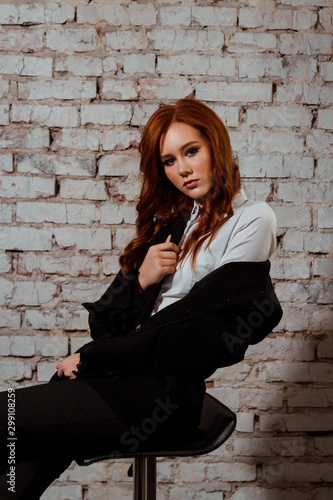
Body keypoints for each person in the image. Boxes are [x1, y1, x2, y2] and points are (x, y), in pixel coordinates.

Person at [0, 98, 282, 498]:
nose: (182, 169)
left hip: (160, 400)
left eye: (191, 151)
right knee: (19, 454)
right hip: (121, 382)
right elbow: (104, 326)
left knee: (6, 421)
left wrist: (92, 358)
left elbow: (195, 338)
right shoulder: (179, 222)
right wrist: (141, 281)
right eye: (169, 161)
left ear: (216, 145)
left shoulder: (252, 220)